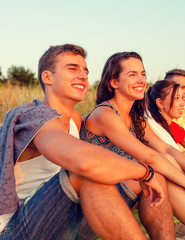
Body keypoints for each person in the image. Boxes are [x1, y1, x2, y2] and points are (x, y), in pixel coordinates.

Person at [0, 44, 171, 240]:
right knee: (86, 174)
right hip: (15, 230)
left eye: (85, 71)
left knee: (151, 179)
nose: (83, 76)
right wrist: (145, 172)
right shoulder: (35, 117)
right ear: (47, 77)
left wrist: (149, 175)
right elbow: (85, 163)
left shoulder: (74, 118)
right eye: (72, 69)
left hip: (61, 217)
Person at [80, 51, 185, 240]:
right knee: (160, 167)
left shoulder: (134, 118)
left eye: (143, 74)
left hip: (124, 184)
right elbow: (151, 157)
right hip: (97, 195)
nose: (141, 80)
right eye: (132, 74)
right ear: (114, 82)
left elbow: (166, 148)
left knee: (166, 161)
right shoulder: (105, 114)